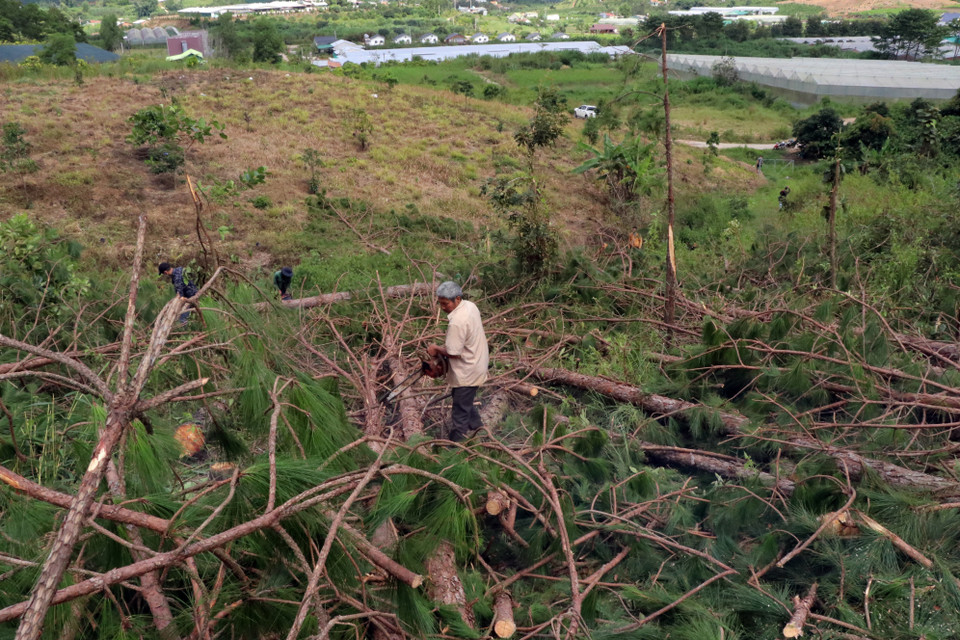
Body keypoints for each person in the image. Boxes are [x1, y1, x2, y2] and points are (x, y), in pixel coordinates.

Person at [427, 281, 489, 442]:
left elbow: (453, 353)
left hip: (468, 370)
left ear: (458, 299)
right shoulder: (470, 306)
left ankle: (455, 449)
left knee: (459, 413)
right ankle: (479, 432)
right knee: (463, 400)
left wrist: (436, 349)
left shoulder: (457, 322)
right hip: (477, 362)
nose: (443, 307)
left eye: (445, 303)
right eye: (440, 303)